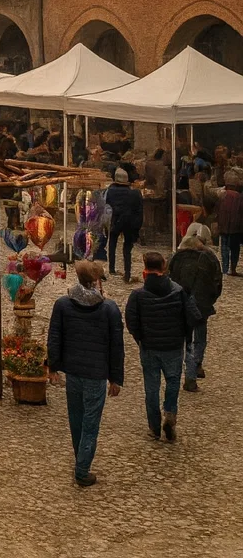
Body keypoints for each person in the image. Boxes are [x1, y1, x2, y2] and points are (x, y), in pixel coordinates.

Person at [47, 260, 124, 485]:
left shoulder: (63, 304)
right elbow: (116, 346)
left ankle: (80, 459)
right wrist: (115, 378)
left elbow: (54, 338)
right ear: (96, 281)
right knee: (90, 422)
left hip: (73, 372)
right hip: (96, 374)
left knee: (77, 419)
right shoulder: (109, 309)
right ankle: (82, 469)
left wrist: (53, 367)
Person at [126, 251, 201, 442]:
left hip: (150, 347)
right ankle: (170, 412)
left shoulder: (138, 296)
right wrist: (184, 335)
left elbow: (131, 322)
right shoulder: (178, 291)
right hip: (173, 347)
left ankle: (154, 427)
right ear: (163, 267)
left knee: (151, 387)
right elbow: (192, 316)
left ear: (145, 268)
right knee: (173, 382)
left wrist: (141, 339)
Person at [168, 222, 222, 391]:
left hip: (181, 303)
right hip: (201, 304)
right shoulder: (210, 257)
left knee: (187, 340)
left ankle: (187, 372)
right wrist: (209, 299)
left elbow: (170, 279)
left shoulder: (176, 257)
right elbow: (217, 282)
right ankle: (193, 369)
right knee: (198, 339)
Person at [105, 168, 144, 283]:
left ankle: (111, 268)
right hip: (129, 222)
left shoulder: (110, 191)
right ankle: (127, 273)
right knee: (127, 248)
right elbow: (139, 211)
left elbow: (106, 207)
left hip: (115, 221)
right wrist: (137, 227)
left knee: (112, 243)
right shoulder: (135, 193)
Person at [217, 169, 243, 275]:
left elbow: (217, 209)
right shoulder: (239, 197)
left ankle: (225, 269)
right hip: (236, 227)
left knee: (224, 247)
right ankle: (232, 269)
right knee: (234, 249)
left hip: (223, 225)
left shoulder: (222, 195)